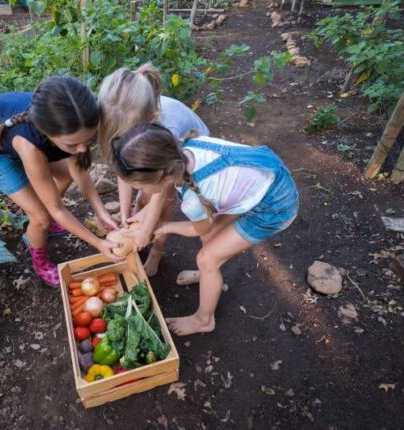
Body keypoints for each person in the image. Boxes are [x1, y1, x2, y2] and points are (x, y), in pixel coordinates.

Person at [110, 123, 299, 336]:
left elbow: (198, 228)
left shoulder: (194, 199)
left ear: (165, 177)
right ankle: (207, 276)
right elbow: (165, 194)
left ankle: (203, 320)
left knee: (207, 258)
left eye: (142, 188)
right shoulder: (184, 152)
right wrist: (143, 219)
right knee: (211, 238)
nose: (142, 192)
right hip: (262, 177)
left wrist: (164, 227)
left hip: (273, 206)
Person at [0, 76, 121, 287]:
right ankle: (39, 260)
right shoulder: (30, 146)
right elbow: (57, 209)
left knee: (64, 176)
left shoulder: (71, 122)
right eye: (73, 144)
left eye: (89, 140)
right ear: (48, 134)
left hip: (16, 139)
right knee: (41, 217)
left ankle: (43, 219)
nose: (83, 149)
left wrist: (101, 211)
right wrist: (98, 243)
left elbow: (79, 172)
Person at [98, 64, 210, 276]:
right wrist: (125, 213)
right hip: (155, 156)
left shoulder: (168, 130)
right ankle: (141, 231)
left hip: (186, 156)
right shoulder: (124, 118)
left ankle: (156, 252)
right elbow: (124, 172)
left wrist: (148, 228)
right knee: (142, 201)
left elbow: (162, 195)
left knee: (161, 205)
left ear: (152, 118)